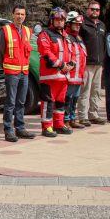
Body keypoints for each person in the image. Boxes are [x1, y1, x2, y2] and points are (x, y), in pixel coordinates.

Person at [0, 6, 36, 142]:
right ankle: (8, 130)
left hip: (24, 72)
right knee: (10, 102)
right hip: (11, 73)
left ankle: (20, 128)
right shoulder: (6, 30)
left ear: (25, 16)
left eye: (22, 14)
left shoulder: (28, 31)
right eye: (17, 14)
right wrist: (6, 68)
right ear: (13, 15)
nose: (20, 16)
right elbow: (0, 53)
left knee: (21, 102)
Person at [37, 8, 71, 136]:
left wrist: (70, 65)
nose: (59, 22)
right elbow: (46, 53)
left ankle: (59, 124)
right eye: (57, 19)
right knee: (48, 102)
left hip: (63, 77)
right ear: (52, 20)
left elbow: (70, 52)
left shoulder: (66, 36)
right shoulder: (45, 34)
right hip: (49, 76)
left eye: (62, 19)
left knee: (61, 102)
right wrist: (62, 65)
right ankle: (47, 127)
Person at [77, 1, 107, 126]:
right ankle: (83, 116)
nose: (95, 11)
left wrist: (103, 61)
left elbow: (104, 44)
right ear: (87, 10)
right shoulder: (82, 24)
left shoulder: (102, 25)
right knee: (85, 90)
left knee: (96, 90)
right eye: (92, 9)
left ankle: (93, 114)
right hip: (87, 63)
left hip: (99, 64)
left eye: (97, 10)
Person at [64, 12, 87, 129]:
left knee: (75, 99)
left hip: (79, 74)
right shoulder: (66, 37)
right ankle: (65, 120)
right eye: (76, 24)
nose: (78, 26)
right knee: (67, 98)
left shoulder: (78, 37)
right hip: (70, 74)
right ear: (68, 23)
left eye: (79, 24)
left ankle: (72, 118)